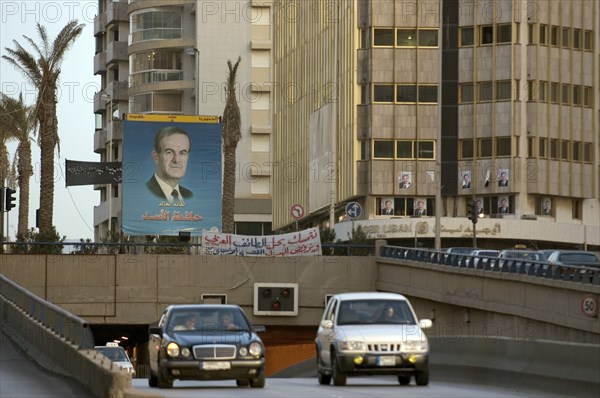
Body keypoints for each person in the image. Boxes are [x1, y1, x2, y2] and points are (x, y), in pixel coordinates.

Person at [146, 126, 193, 202]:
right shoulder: (145, 192)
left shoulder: (188, 195)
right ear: (156, 157)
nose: (176, 160)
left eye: (182, 153)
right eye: (169, 152)